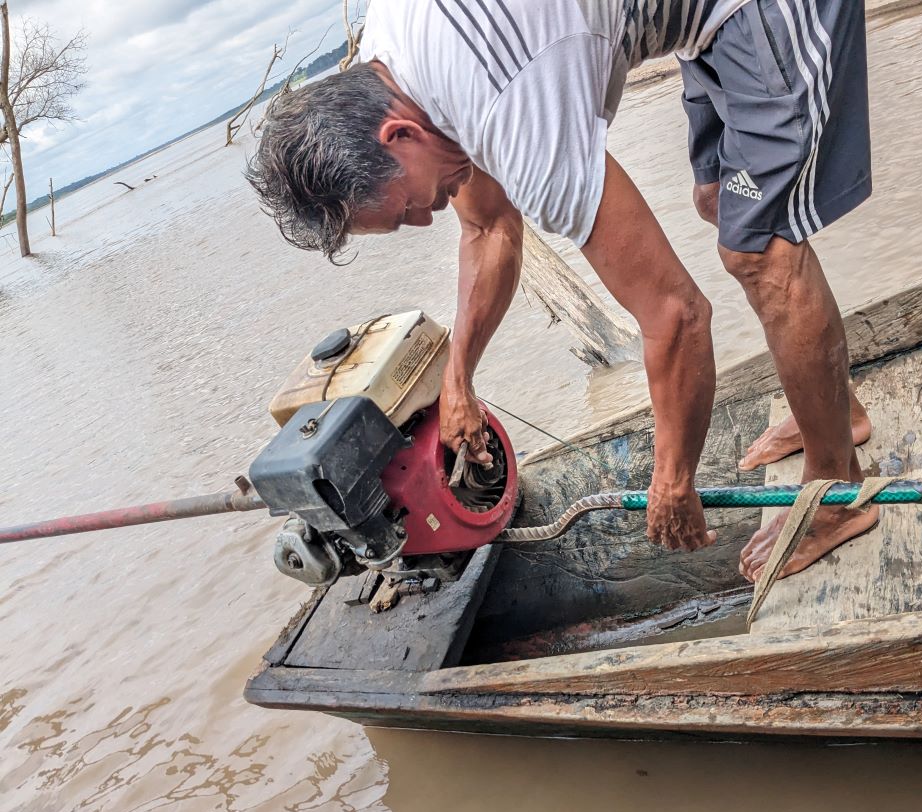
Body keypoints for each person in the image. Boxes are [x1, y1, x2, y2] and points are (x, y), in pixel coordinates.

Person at [246, 0, 876, 581]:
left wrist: (673, 480)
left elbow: (678, 317)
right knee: (720, 201)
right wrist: (457, 378)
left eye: (408, 207)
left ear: (397, 137)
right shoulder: (394, 65)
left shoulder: (505, 107)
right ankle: (836, 412)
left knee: (761, 254)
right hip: (697, 29)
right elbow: (488, 227)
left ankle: (836, 492)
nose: (427, 215)